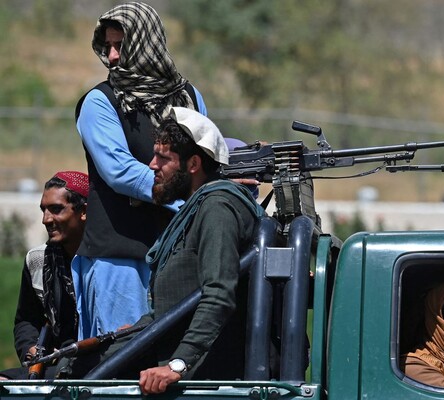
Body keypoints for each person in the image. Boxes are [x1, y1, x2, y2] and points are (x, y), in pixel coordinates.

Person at [59, 107, 263, 393]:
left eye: (163, 158)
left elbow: (218, 295)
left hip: (198, 378)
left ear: (193, 164)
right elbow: (176, 303)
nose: (152, 165)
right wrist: (134, 333)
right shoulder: (195, 209)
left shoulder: (218, 208)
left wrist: (178, 364)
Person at [72, 1, 209, 340]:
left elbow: (205, 159)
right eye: (109, 47)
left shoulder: (189, 97)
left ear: (147, 43)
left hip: (178, 260)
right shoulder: (99, 102)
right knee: (122, 368)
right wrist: (187, 200)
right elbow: (119, 171)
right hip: (121, 262)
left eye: (121, 45)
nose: (113, 57)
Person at [1, 171, 88, 380]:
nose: (46, 219)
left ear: (83, 212)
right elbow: (26, 320)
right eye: (43, 210)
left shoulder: (105, 263)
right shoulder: (36, 259)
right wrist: (29, 347)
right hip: (51, 364)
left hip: (92, 364)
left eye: (56, 209)